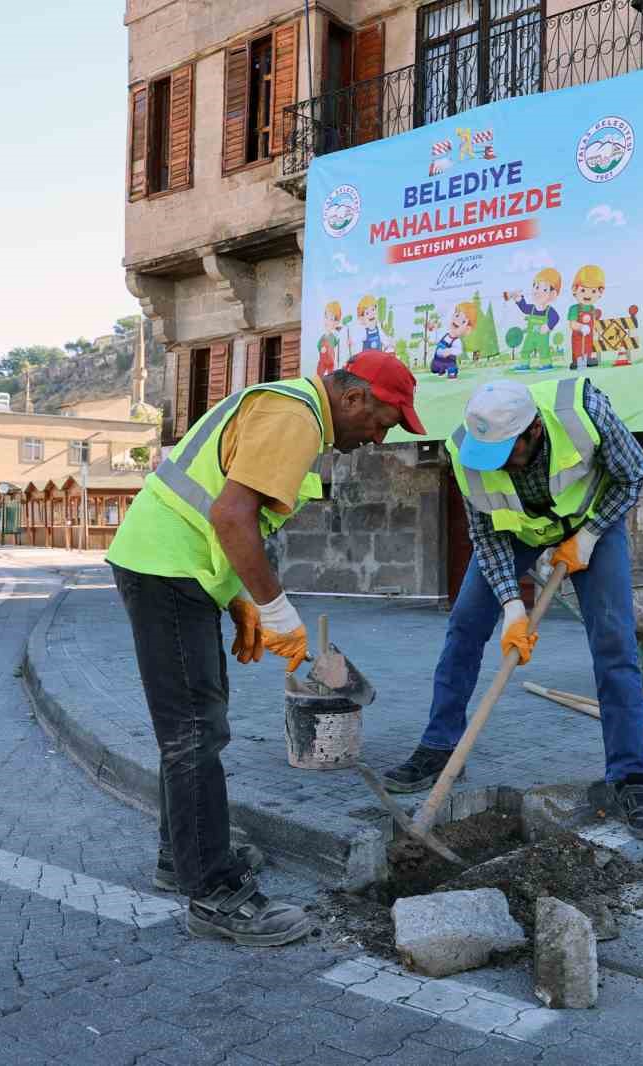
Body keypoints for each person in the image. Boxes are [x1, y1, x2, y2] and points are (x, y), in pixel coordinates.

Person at [105, 351, 424, 946]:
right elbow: (231, 516)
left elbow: (216, 508)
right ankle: (215, 893)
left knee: (198, 724)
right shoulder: (296, 416)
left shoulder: (290, 408)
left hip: (181, 571)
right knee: (194, 733)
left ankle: (184, 856)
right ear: (353, 399)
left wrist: (237, 600)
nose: (380, 436)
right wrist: (276, 609)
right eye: (383, 420)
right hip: (168, 571)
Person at [382, 377, 643, 840]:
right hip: (515, 535)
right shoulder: (465, 451)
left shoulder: (583, 412)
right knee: (464, 628)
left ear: (533, 430)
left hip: (590, 525)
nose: (500, 468)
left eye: (506, 454)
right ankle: (439, 748)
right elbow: (487, 537)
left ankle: (631, 780)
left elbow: (633, 474)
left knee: (615, 642)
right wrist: (514, 607)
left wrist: (589, 536)